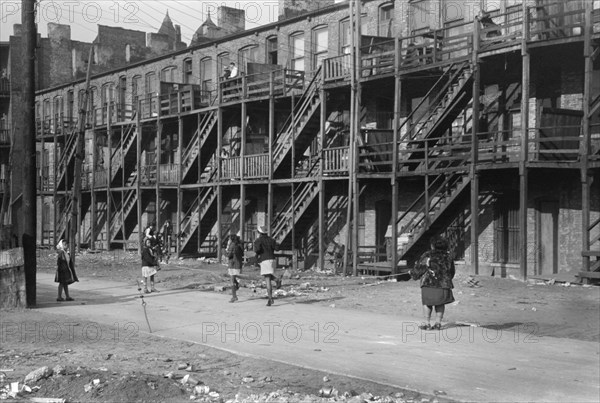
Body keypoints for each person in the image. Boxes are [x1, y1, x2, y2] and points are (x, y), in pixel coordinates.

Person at [409, 236, 455, 330]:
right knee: (440, 303)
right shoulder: (448, 257)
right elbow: (452, 271)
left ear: (433, 245)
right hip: (444, 284)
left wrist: (412, 273)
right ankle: (438, 323)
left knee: (427, 303)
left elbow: (420, 268)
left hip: (429, 283)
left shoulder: (428, 255)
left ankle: (427, 323)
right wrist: (447, 279)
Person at [253, 225, 280, 306]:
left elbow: (257, 250)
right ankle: (270, 297)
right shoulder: (271, 240)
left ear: (259, 232)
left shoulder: (258, 240)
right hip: (272, 259)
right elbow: (277, 249)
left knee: (267, 279)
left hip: (264, 260)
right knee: (267, 276)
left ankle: (270, 298)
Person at [226, 234, 244, 303]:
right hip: (238, 264)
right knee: (233, 278)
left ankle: (234, 296)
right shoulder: (239, 245)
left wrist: (224, 251)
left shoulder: (232, 245)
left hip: (233, 264)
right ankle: (236, 286)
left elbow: (229, 255)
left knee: (232, 281)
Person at [141, 228, 160, 293]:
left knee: (152, 276)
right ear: (145, 243)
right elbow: (147, 258)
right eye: (148, 242)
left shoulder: (150, 249)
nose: (149, 243)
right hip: (146, 265)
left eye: (149, 242)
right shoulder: (145, 250)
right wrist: (154, 263)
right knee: (145, 277)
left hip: (149, 265)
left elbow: (152, 256)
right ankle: (145, 288)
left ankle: (152, 288)